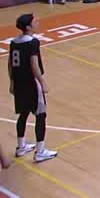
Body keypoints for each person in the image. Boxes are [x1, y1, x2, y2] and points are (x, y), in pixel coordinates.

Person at [8, 14, 58, 162]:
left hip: (19, 83)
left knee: (23, 114)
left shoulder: (14, 42)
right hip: (31, 83)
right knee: (41, 115)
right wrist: (42, 82)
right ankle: (40, 151)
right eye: (34, 22)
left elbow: (10, 63)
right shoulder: (33, 42)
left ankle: (21, 146)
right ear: (28, 27)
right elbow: (34, 65)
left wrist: (12, 82)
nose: (37, 22)